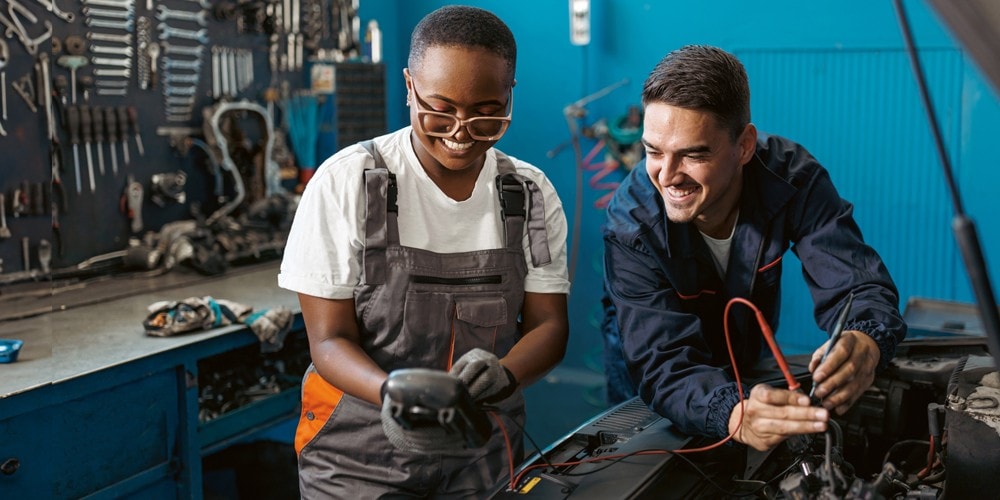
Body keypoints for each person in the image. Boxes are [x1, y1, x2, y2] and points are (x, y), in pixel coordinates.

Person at [278, 5, 570, 496]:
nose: (460, 131)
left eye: (486, 112)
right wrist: (394, 395)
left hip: (484, 456)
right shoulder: (345, 183)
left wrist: (506, 373)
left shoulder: (530, 194)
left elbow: (549, 326)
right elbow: (327, 342)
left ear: (509, 94)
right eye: (440, 108)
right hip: (359, 461)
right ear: (410, 85)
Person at [601, 45, 906, 452]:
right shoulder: (631, 222)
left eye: (693, 154)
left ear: (744, 145)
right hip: (652, 381)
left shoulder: (793, 178)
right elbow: (664, 364)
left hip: (745, 358)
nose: (667, 176)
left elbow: (856, 281)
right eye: (653, 151)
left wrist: (865, 341)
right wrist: (733, 411)